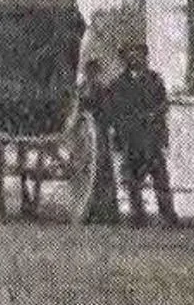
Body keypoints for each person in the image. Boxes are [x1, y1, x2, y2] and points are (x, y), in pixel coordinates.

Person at [103, 40, 180, 226]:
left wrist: (162, 131)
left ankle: (168, 214)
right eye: (130, 54)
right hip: (131, 137)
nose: (134, 57)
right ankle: (137, 215)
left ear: (144, 57)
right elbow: (113, 112)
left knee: (160, 176)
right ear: (124, 59)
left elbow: (163, 106)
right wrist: (119, 135)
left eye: (138, 53)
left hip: (151, 137)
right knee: (132, 178)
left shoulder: (155, 80)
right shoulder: (117, 85)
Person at [76, 57, 123, 223]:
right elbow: (77, 110)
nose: (91, 75)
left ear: (97, 73)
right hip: (84, 136)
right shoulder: (81, 89)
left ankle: (106, 213)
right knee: (89, 171)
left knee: (103, 170)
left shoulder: (102, 90)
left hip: (100, 132)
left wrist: (102, 122)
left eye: (94, 72)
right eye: (89, 72)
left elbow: (109, 111)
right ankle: (89, 211)